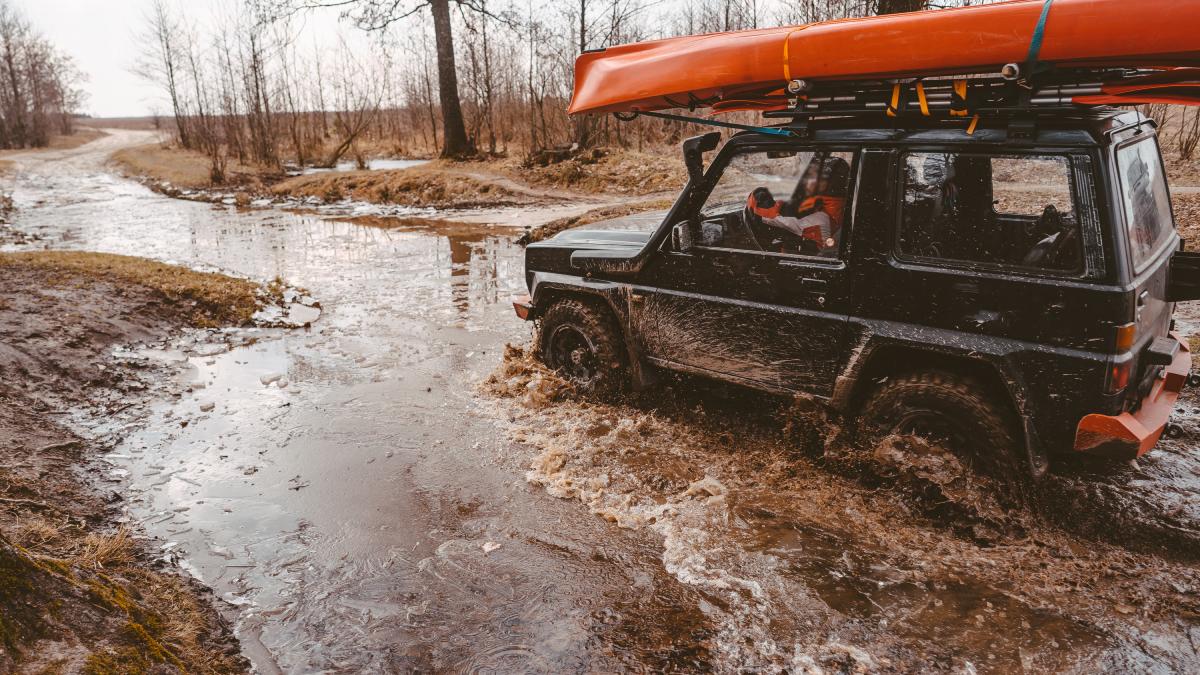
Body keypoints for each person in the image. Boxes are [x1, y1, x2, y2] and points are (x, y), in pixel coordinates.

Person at [746, 156, 850, 255]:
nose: (807, 181)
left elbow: (771, 215)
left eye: (812, 177)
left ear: (825, 184)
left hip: (813, 259)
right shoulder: (839, 206)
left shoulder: (820, 220)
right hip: (816, 251)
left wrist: (757, 201)